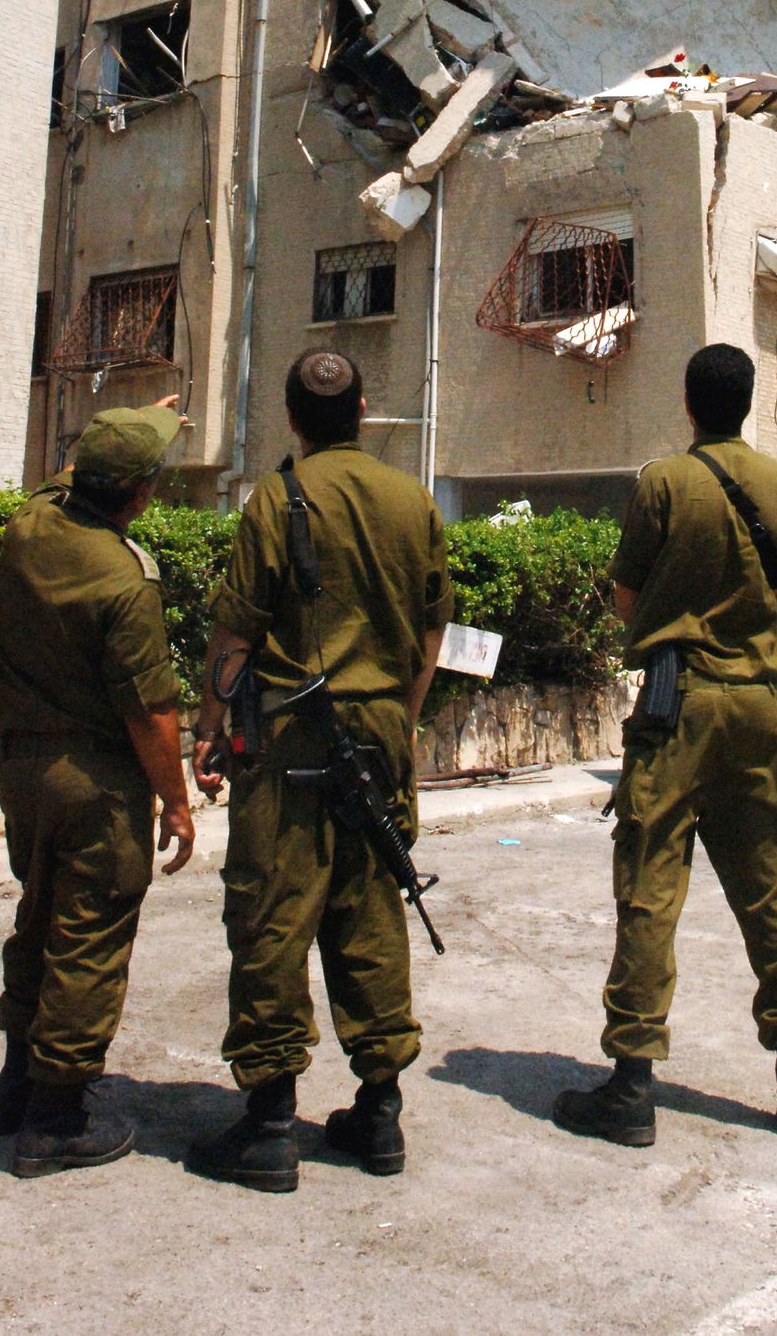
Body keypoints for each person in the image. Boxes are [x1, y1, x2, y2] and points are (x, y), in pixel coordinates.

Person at [553, 343, 777, 1148]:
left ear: (689, 403)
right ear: (747, 403)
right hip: (758, 707)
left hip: (677, 708)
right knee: (774, 889)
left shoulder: (664, 484)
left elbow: (624, 598)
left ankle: (633, 1084)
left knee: (650, 888)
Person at [187, 350, 453, 1193]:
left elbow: (235, 633)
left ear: (294, 420)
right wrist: (401, 723)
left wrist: (208, 724)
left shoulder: (276, 498)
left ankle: (269, 1123)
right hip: (378, 724)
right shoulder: (412, 500)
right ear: (364, 410)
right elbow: (433, 630)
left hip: (294, 729)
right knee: (371, 903)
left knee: (273, 905)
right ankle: (378, 1110)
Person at [0, 397, 196, 1178]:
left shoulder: (29, 526)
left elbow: (62, 478)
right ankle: (54, 1118)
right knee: (89, 939)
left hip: (22, 768)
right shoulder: (124, 577)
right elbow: (151, 708)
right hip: (94, 781)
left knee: (37, 917)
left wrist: (139, 418)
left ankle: (16, 1085)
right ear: (140, 494)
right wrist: (174, 802)